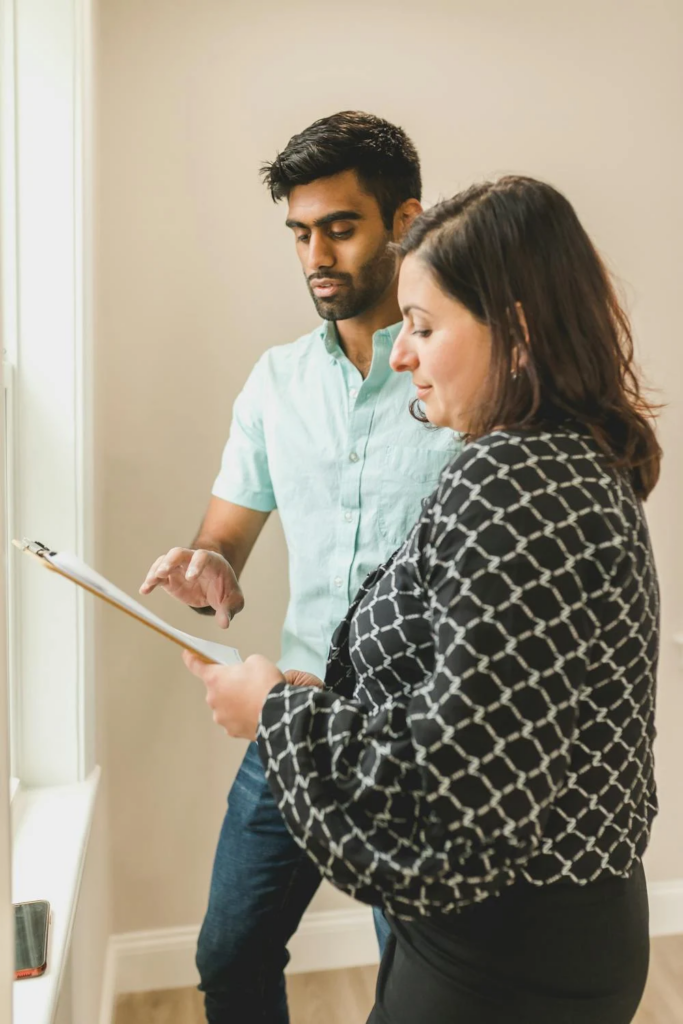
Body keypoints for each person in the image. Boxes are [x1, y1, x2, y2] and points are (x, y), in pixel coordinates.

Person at [183, 175, 661, 1024]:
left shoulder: (505, 476)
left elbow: (454, 782)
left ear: (514, 334)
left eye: (424, 328)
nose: (399, 355)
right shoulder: (570, 457)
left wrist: (271, 712)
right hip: (558, 924)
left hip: (501, 954)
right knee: (232, 948)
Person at [139, 112, 459, 1024]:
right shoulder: (275, 381)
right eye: (299, 232)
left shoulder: (461, 376)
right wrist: (206, 564)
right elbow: (223, 537)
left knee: (416, 982)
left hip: (412, 737)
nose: (315, 253)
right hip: (297, 704)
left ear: (406, 219)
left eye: (340, 227)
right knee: (229, 952)